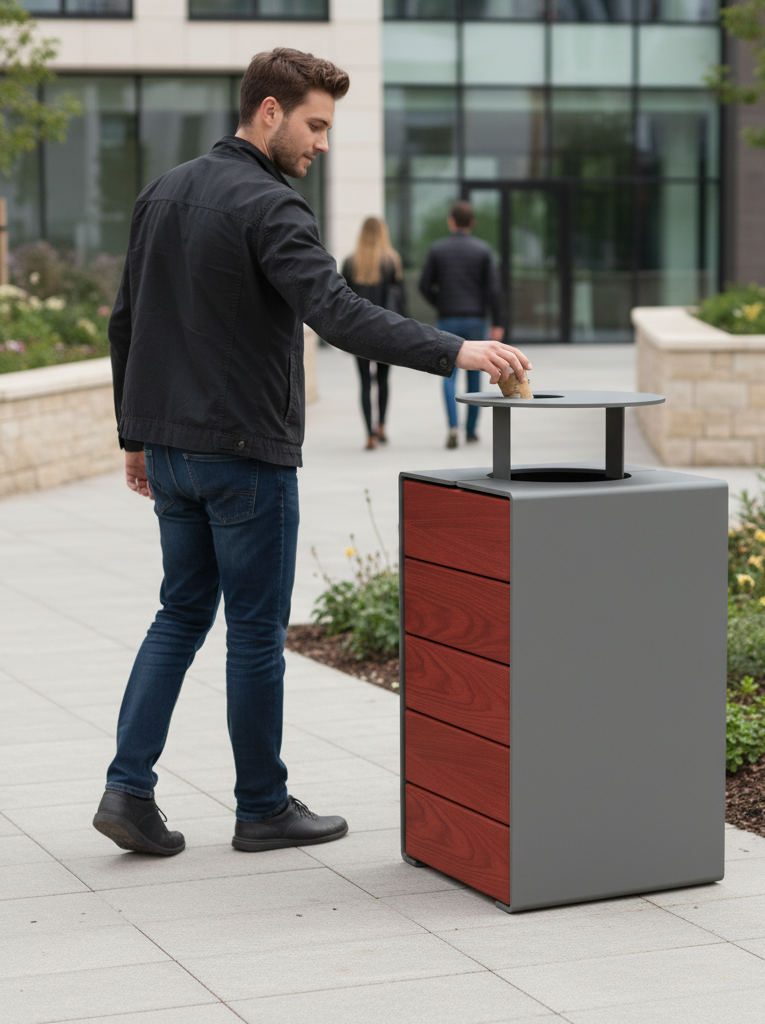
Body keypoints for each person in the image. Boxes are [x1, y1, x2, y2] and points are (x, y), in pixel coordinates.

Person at [94, 48, 530, 857]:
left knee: (180, 613)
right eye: (316, 124)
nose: (322, 143)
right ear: (269, 111)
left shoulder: (162, 192)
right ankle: (262, 807)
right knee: (255, 634)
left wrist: (135, 436)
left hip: (172, 450)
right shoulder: (272, 205)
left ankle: (128, 790)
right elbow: (335, 314)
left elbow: (126, 321)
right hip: (244, 456)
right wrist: (455, 351)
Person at [419, 200, 505, 448]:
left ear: (451, 221)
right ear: (473, 223)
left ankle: (453, 426)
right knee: (476, 376)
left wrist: (440, 303)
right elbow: (494, 290)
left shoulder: (438, 249)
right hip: (476, 320)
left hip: (448, 318)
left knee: (447, 374)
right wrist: (498, 322)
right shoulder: (483, 250)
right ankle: (471, 430)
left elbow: (424, 286)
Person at [341, 217, 403, 449]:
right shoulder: (391, 261)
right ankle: (382, 426)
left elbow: (342, 299)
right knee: (384, 380)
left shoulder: (351, 262)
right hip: (386, 329)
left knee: (365, 383)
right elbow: (400, 299)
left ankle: (369, 433)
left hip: (359, 331)